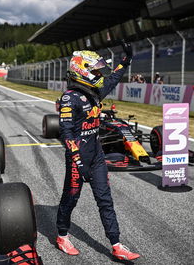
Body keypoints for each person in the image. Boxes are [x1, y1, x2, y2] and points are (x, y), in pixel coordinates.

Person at [56, 41, 140, 261]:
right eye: (94, 69)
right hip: (78, 159)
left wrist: (126, 61)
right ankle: (62, 236)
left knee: (105, 200)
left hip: (97, 157)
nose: (98, 73)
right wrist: (78, 162)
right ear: (81, 70)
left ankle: (117, 245)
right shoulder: (69, 98)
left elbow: (112, 78)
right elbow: (65, 134)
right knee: (70, 199)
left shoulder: (94, 92)